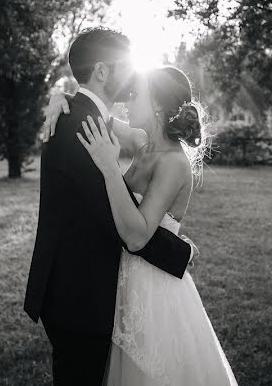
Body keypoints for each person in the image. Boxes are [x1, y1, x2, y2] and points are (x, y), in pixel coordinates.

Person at [42, 61, 238, 385]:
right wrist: (60, 99)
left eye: (135, 96)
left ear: (158, 105)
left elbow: (137, 237)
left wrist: (109, 167)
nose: (126, 102)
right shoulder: (142, 143)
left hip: (152, 294)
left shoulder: (174, 163)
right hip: (119, 281)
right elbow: (97, 115)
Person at [24, 28, 196, 386]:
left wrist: (64, 95)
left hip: (81, 289)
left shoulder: (81, 116)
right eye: (126, 65)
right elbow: (118, 220)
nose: (132, 76)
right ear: (102, 72)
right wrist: (182, 251)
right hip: (79, 297)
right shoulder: (80, 128)